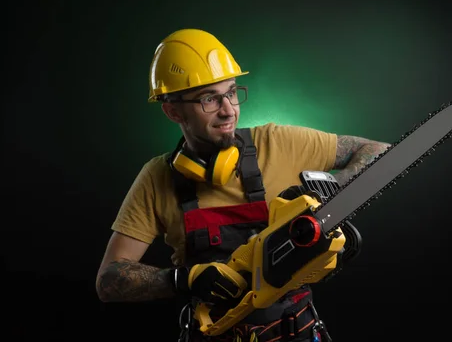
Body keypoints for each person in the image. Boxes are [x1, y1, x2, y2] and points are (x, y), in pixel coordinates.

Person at [95, 28, 390, 342]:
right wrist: (182, 279)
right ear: (172, 110)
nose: (228, 110)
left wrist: (332, 188)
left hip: (296, 332)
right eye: (209, 98)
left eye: (232, 92)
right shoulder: (156, 177)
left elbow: (378, 151)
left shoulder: (278, 142)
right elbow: (109, 281)